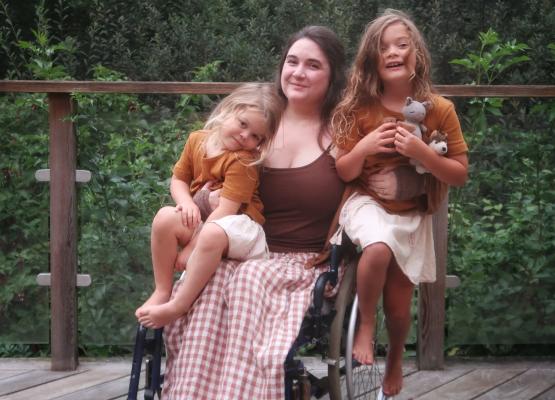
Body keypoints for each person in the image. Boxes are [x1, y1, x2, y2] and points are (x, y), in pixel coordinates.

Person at [160, 25, 348, 399]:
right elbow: (209, 186)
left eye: (313, 65)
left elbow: (366, 192)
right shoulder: (257, 125)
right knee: (212, 286)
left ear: (332, 77)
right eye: (292, 61)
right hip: (241, 248)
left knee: (248, 280)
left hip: (304, 263)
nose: (298, 72)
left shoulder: (343, 132)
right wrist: (202, 203)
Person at [331, 9, 469, 397]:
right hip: (366, 204)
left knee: (397, 305)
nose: (392, 52)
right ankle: (364, 329)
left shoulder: (439, 110)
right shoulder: (357, 107)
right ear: (371, 58)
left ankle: (394, 355)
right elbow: (343, 171)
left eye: (401, 44)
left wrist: (422, 153)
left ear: (417, 55)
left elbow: (458, 173)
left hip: (411, 217)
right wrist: (364, 146)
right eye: (383, 46)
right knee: (375, 249)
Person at [135, 83, 283, 328]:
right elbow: (179, 179)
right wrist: (185, 203)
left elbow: (227, 210)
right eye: (243, 124)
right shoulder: (197, 141)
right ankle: (162, 289)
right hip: (209, 223)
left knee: (213, 232)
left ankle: (178, 305)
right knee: (164, 216)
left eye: (256, 136)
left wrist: (192, 246)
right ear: (228, 110)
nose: (246, 136)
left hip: (241, 230)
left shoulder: (243, 160)